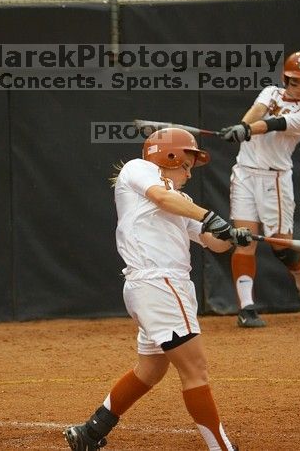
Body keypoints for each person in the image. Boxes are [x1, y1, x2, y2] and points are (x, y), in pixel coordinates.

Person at [64, 128, 248, 451]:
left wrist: (232, 235)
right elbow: (163, 197)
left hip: (162, 288)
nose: (189, 174)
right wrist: (210, 216)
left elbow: (211, 241)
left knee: (151, 369)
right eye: (186, 166)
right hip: (158, 284)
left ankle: (91, 432)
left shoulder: (183, 202)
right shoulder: (138, 169)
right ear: (169, 155)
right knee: (195, 370)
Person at [218, 50, 300, 328]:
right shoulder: (270, 92)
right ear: (285, 78)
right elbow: (258, 112)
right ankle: (246, 308)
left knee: (282, 248)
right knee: (244, 240)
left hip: (274, 180)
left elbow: (274, 124)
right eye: (295, 81)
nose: (299, 88)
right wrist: (242, 125)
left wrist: (248, 130)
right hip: (244, 174)